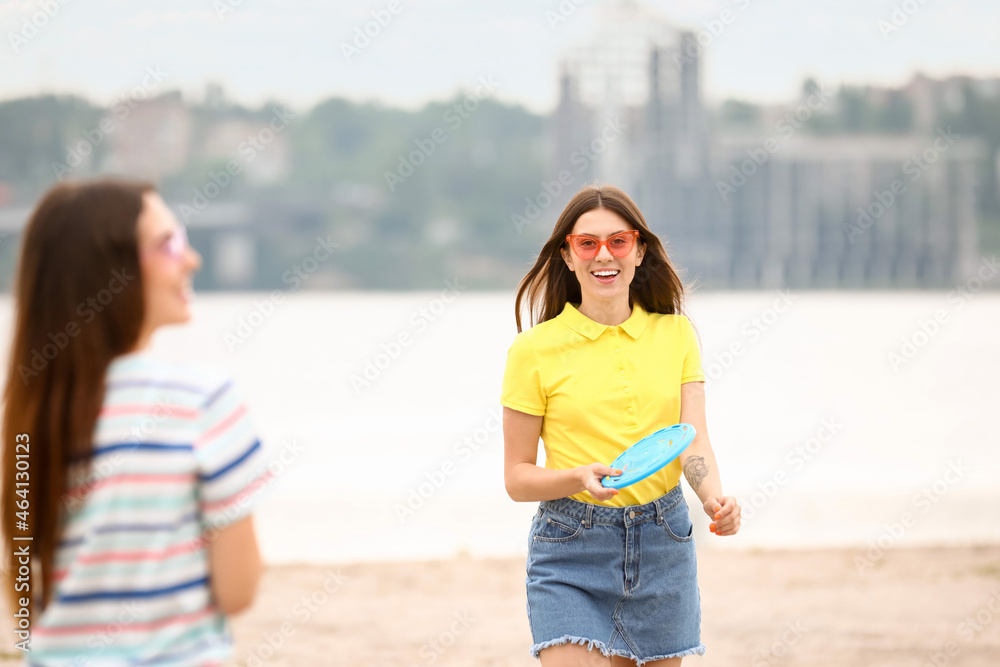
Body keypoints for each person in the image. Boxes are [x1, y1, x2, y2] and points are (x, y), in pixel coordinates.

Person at [1, 179, 270, 665]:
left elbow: (25, 600)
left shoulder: (24, 422)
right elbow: (238, 590)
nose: (191, 259)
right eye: (169, 244)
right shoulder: (204, 402)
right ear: (111, 272)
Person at [501, 184, 741, 666]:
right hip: (571, 548)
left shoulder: (676, 334)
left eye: (618, 241)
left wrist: (713, 497)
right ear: (568, 256)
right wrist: (575, 478)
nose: (603, 254)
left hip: (664, 543)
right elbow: (517, 477)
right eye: (586, 243)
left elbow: (691, 439)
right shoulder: (532, 351)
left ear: (639, 250)